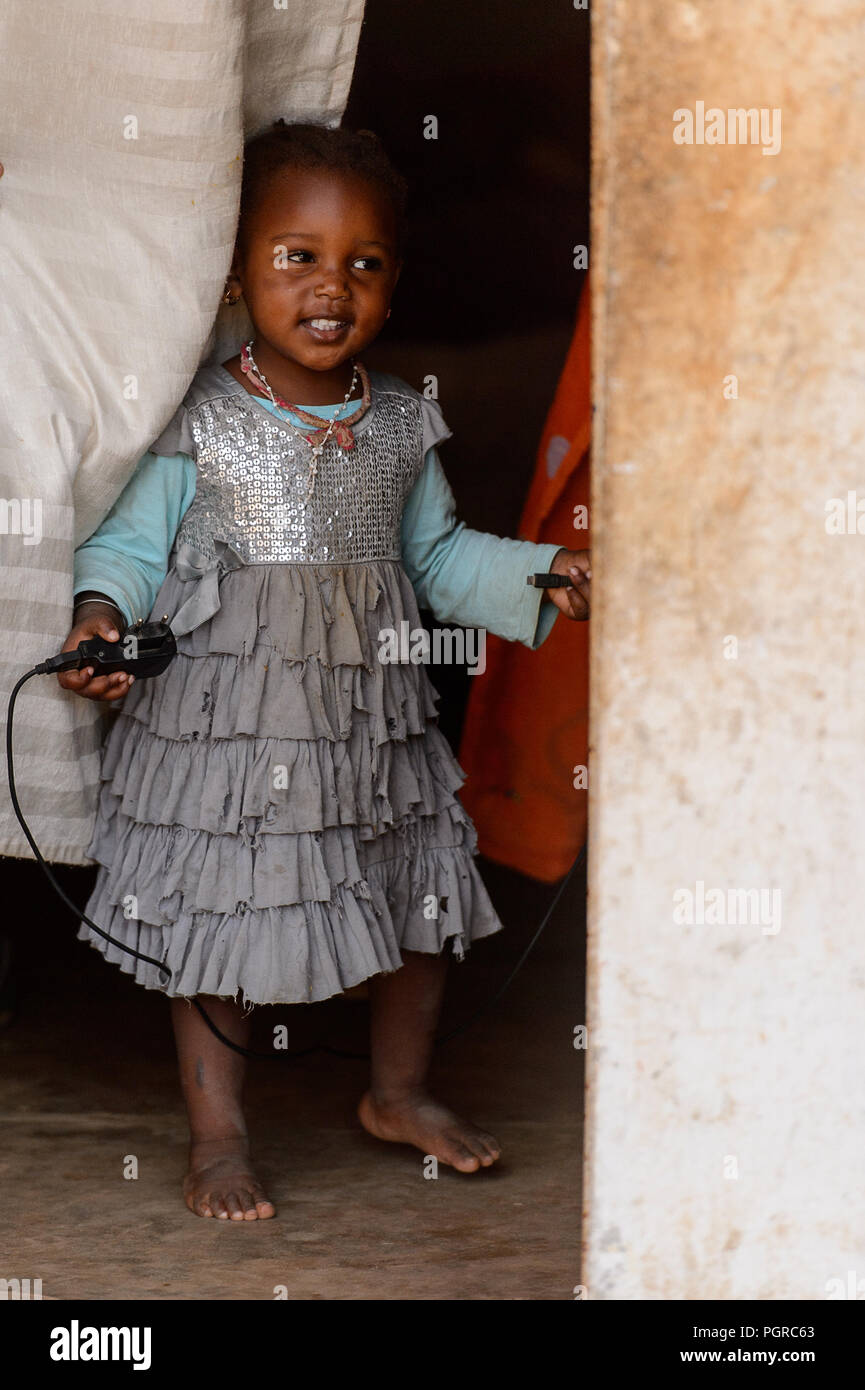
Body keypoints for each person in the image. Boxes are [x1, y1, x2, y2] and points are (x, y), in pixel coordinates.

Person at [59, 121, 591, 1222]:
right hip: (231, 731)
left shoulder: (400, 424)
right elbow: (124, 547)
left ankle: (397, 1092)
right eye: (296, 255)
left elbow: (438, 558)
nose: (330, 286)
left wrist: (549, 574)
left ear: (394, 284)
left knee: (416, 897)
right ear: (236, 271)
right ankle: (219, 1137)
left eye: (364, 262)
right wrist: (100, 617)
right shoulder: (199, 418)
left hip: (365, 727)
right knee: (218, 917)